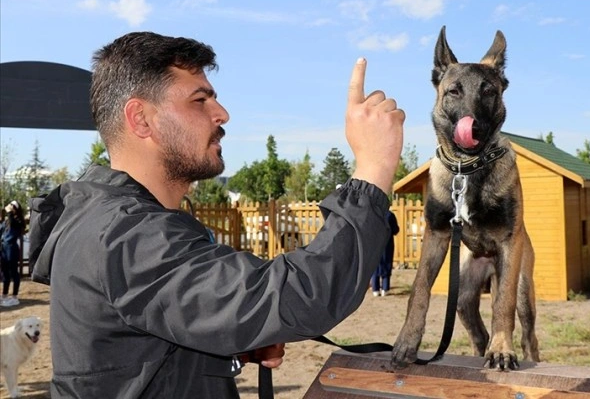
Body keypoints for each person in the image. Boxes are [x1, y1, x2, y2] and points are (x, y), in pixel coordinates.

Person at [28, 32, 404, 398]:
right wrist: (373, 168)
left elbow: (135, 346)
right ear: (141, 119)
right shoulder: (127, 233)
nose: (222, 114)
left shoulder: (104, 218)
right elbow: (302, 295)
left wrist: (222, 339)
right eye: (199, 100)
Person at [1, 200, 25, 307]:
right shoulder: (7, 221)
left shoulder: (18, 221)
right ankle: (4, 295)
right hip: (4, 248)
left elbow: (15, 226)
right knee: (4, 272)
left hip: (11, 248)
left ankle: (15, 297)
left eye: (11, 206)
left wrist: (9, 213)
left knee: (14, 272)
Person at [371, 210, 399, 296]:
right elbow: (395, 230)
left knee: (374, 265)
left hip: (374, 243)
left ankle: (375, 289)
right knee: (387, 263)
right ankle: (385, 288)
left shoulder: (372, 214)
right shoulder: (390, 215)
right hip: (387, 243)